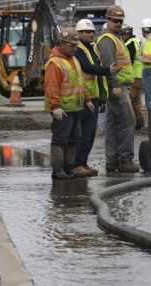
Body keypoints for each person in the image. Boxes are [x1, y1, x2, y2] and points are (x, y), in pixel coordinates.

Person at [73, 19, 122, 177]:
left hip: (92, 97)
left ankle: (83, 162)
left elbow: (96, 76)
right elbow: (87, 68)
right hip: (83, 97)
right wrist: (107, 70)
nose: (91, 34)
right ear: (79, 33)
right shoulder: (78, 49)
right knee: (83, 132)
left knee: (90, 133)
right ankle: (77, 163)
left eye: (92, 31)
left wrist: (101, 99)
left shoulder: (90, 48)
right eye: (87, 32)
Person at [44, 27, 94, 179]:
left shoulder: (74, 60)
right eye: (72, 45)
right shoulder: (55, 63)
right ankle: (58, 170)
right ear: (62, 44)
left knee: (74, 137)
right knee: (60, 139)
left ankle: (68, 167)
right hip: (63, 109)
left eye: (76, 45)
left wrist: (87, 99)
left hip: (75, 107)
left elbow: (79, 83)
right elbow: (51, 87)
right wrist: (56, 107)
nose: (75, 48)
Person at [95, 5, 139, 172]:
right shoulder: (108, 39)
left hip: (120, 85)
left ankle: (112, 161)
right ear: (108, 20)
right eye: (115, 21)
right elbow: (109, 65)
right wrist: (114, 85)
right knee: (128, 121)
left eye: (120, 21)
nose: (118, 24)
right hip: (118, 86)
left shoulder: (115, 37)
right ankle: (125, 160)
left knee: (113, 123)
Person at [120, 24, 145, 130]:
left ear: (125, 34)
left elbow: (127, 62)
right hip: (141, 76)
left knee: (128, 101)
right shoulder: (137, 41)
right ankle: (139, 123)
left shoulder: (129, 44)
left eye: (121, 35)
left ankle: (128, 123)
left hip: (134, 76)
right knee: (137, 101)